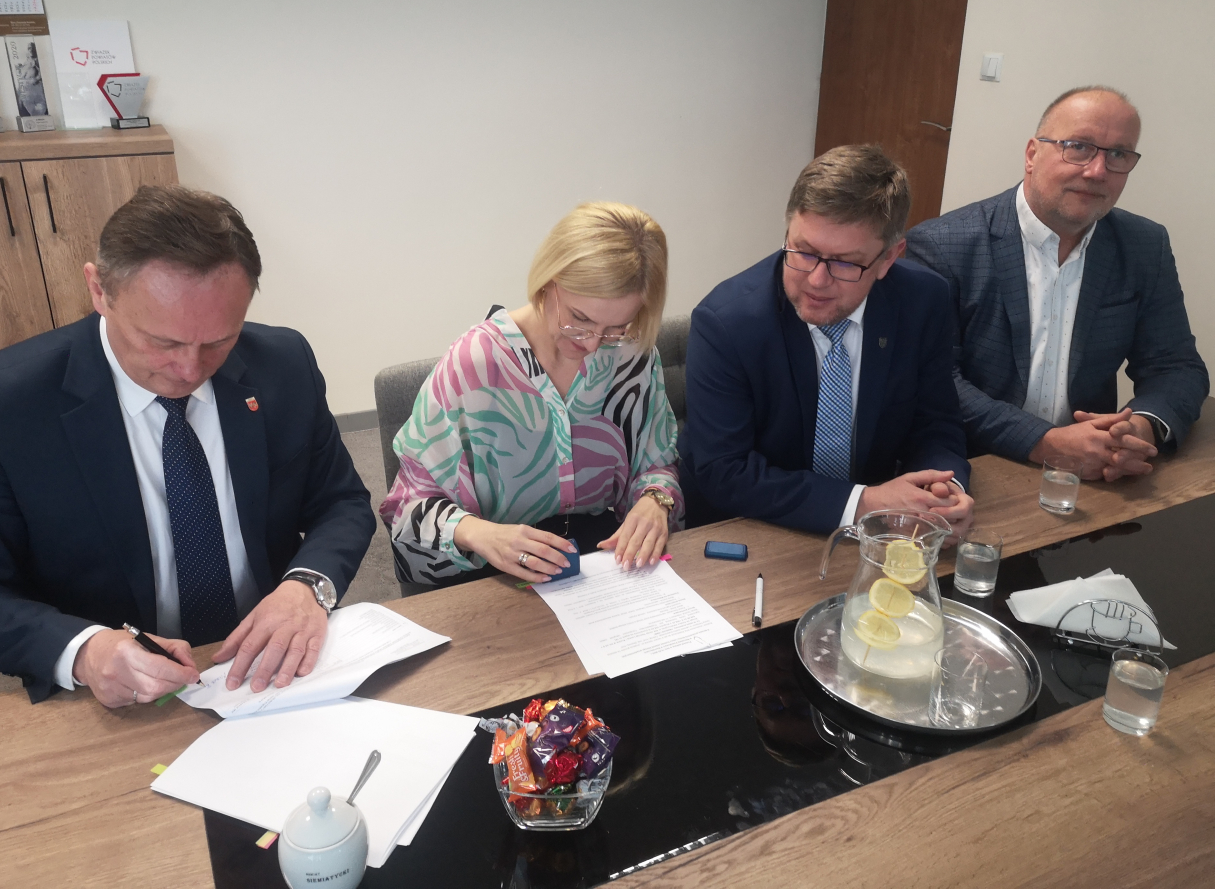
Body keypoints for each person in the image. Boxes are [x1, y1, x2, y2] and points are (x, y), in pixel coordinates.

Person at [0, 186, 375, 706]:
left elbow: (341, 502)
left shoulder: (283, 363)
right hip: (113, 698)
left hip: (268, 668)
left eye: (219, 341)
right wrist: (82, 650)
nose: (189, 370)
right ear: (99, 290)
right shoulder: (4, 403)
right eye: (162, 342)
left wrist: (307, 586)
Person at [906, 86, 1209, 479]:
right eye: (1078, 147)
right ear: (1032, 154)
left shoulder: (1144, 246)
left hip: (1093, 474)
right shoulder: (943, 246)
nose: (1097, 171)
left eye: (1118, 154)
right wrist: (1045, 441)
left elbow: (1176, 366)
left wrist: (1138, 429)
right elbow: (934, 380)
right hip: (973, 469)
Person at [381, 202, 683, 592]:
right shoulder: (474, 365)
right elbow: (406, 510)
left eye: (616, 327)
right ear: (547, 281)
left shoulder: (631, 354)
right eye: (580, 318)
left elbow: (656, 464)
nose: (593, 345)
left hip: (602, 562)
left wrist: (655, 500)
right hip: (497, 568)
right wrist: (479, 534)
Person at [679, 145, 973, 537]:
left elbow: (936, 424)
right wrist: (863, 502)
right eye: (804, 251)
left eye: (845, 262)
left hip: (877, 534)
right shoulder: (727, 322)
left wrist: (943, 490)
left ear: (889, 258)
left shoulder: (923, 301)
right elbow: (725, 472)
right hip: (747, 531)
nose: (817, 280)